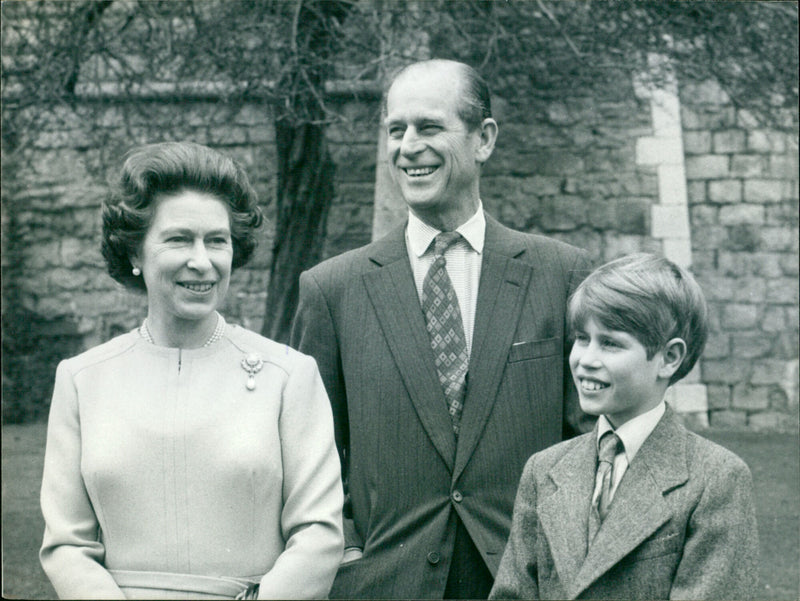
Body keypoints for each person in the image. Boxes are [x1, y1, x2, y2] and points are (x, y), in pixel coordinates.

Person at [290, 59, 592, 599]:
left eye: (429, 127)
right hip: (385, 583)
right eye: (395, 129)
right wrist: (352, 552)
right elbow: (313, 454)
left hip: (526, 580)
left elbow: (589, 439)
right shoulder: (331, 290)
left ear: (484, 139)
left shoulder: (561, 274)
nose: (408, 146)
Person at [40, 141, 344, 600]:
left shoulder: (289, 376)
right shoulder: (82, 380)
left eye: (216, 240)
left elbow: (319, 535)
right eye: (179, 239)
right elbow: (66, 544)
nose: (202, 261)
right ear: (135, 254)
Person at [490, 253, 759, 600]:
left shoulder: (715, 479)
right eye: (582, 338)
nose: (586, 360)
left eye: (611, 343)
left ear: (669, 358)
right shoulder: (544, 470)